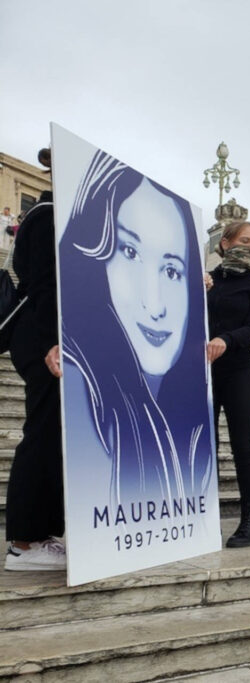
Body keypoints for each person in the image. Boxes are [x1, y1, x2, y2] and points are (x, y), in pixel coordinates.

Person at [59, 150, 213, 510]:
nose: (155, 305)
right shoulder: (82, 389)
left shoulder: (183, 417)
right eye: (129, 251)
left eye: (173, 270)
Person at [4, 187, 65, 571]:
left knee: (53, 434)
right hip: (42, 337)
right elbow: (43, 283)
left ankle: (42, 535)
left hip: (54, 336)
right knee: (42, 432)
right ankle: (23, 544)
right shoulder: (46, 214)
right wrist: (50, 342)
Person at [206, 220, 250, 548]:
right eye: (244, 240)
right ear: (226, 243)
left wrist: (225, 340)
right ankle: (205, 519)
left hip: (238, 371)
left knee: (243, 446)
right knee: (206, 446)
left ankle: (249, 522)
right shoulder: (206, 281)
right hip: (203, 372)